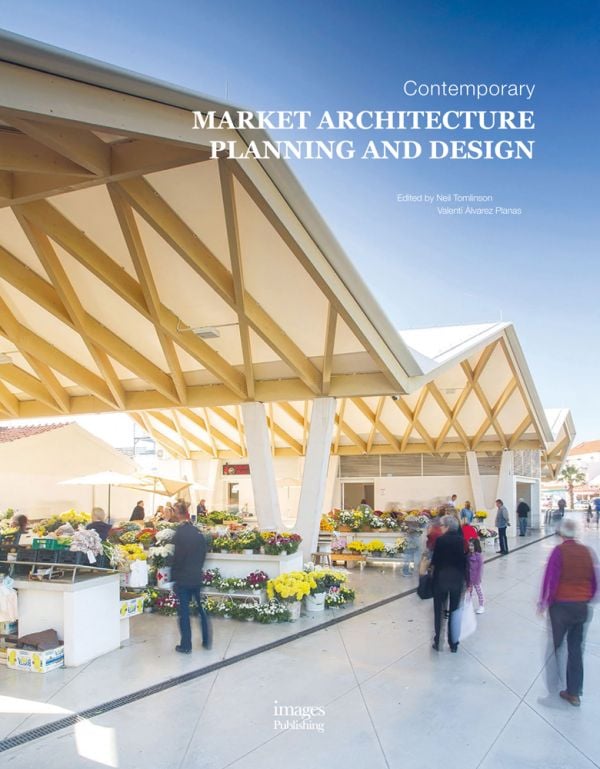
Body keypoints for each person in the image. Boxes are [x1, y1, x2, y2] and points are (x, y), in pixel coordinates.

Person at [538, 518, 598, 707]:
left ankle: (553, 689)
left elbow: (551, 579)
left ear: (562, 534)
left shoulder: (559, 551)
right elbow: (595, 580)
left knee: (555, 648)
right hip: (581, 607)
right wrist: (588, 599)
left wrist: (544, 602)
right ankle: (574, 692)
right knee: (576, 649)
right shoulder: (587, 552)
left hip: (561, 607)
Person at [171, 502, 212, 653]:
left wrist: (173, 576)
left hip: (183, 578)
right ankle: (206, 640)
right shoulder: (197, 532)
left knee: (184, 613)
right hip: (196, 576)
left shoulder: (179, 534)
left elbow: (177, 558)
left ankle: (186, 645)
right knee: (201, 610)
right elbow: (203, 552)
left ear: (177, 513)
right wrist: (197, 568)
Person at [430, 515, 466, 652]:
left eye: (442, 526)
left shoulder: (440, 540)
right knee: (454, 611)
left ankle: (438, 641)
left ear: (447, 527)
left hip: (441, 579)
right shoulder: (461, 540)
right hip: (456, 580)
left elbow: (435, 560)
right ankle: (453, 643)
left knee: (439, 612)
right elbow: (464, 561)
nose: (441, 528)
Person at [467, 538, 485, 614]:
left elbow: (480, 568)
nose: (470, 547)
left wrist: (478, 578)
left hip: (476, 578)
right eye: (469, 545)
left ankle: (481, 606)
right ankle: (468, 605)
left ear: (476, 546)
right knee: (469, 592)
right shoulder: (468, 555)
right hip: (469, 577)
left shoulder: (478, 556)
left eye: (472, 545)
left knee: (479, 592)